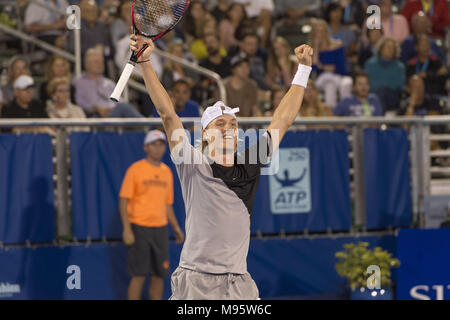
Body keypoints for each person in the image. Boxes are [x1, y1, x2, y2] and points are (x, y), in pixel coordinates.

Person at [129, 33, 313, 300]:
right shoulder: (192, 163)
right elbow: (168, 114)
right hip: (196, 281)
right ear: (204, 134)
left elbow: (282, 119)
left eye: (233, 124)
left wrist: (304, 69)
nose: (229, 128)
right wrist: (145, 62)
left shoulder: (251, 161)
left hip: (239, 283)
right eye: (220, 123)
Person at [119, 130, 185, 300]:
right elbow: (123, 200)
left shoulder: (167, 172)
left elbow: (167, 204)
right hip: (139, 228)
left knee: (159, 275)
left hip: (160, 230)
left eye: (161, 144)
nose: (158, 148)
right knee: (139, 275)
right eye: (154, 144)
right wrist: (127, 229)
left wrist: (176, 228)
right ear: (146, 147)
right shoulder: (135, 169)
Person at [73, 48, 143, 118]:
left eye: (102, 62)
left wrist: (110, 108)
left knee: (123, 107)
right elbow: (79, 102)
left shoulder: (109, 83)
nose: (100, 64)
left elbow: (120, 101)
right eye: (96, 62)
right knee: (124, 107)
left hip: (114, 113)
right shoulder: (79, 82)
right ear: (86, 64)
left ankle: (145, 125)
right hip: (95, 115)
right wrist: (96, 108)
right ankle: (147, 125)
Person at [309, 19, 352, 108]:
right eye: (318, 32)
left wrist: (321, 67)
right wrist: (316, 48)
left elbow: (341, 68)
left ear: (327, 32)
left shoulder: (337, 46)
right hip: (321, 79)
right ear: (314, 34)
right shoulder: (311, 50)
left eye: (323, 31)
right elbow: (313, 70)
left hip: (338, 77)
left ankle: (346, 111)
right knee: (329, 84)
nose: (321, 34)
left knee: (347, 83)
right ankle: (331, 115)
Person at [364, 37, 406, 112]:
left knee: (383, 92)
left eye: (392, 48)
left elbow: (400, 84)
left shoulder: (399, 66)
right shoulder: (370, 64)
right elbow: (368, 83)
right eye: (388, 47)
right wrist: (383, 87)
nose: (390, 50)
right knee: (380, 93)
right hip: (374, 95)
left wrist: (385, 88)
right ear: (381, 48)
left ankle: (379, 120)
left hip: (393, 97)